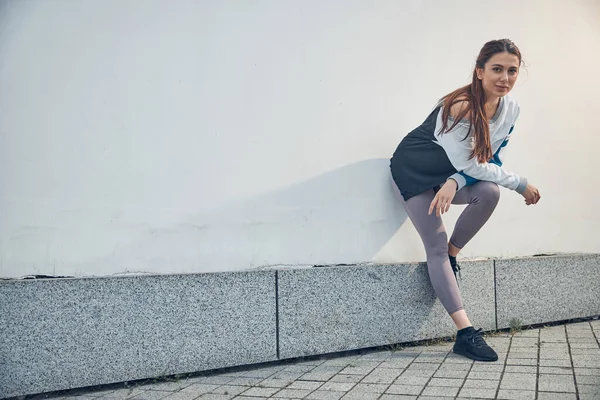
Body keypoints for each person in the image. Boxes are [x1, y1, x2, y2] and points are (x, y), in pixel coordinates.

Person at [389, 38, 541, 362]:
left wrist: (454, 181)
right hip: (414, 171)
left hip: (449, 176)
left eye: (512, 71)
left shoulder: (509, 108)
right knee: (434, 245)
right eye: (497, 69)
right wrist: (521, 184)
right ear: (480, 70)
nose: (505, 78)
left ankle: (452, 255)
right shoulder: (459, 106)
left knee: (489, 192)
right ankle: (464, 332)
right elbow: (473, 164)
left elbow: (490, 161)